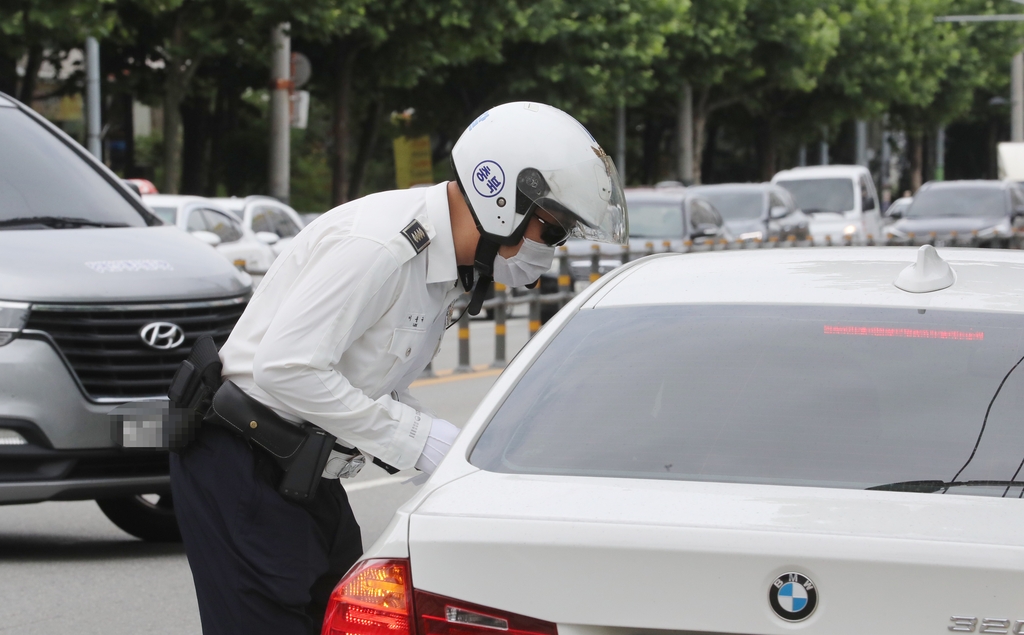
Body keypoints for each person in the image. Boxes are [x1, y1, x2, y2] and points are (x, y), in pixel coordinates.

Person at [169, 101, 628, 635]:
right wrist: (419, 442)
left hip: (305, 470)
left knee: (345, 618)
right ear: (505, 199)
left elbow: (369, 381)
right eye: (551, 230)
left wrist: (456, 455)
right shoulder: (383, 246)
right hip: (243, 464)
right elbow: (286, 369)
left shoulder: (446, 270)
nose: (548, 250)